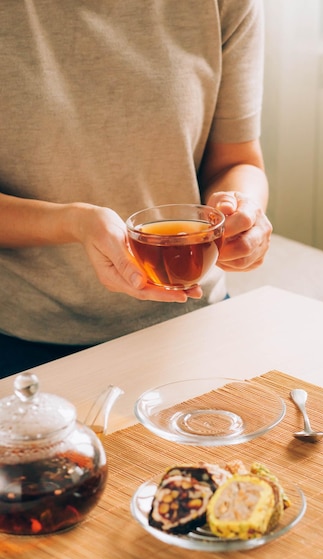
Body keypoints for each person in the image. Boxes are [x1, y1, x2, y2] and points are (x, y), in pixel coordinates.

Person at [0, 0, 272, 378]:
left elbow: (236, 161)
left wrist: (245, 210)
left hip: (194, 321)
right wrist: (72, 223)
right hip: (29, 342)